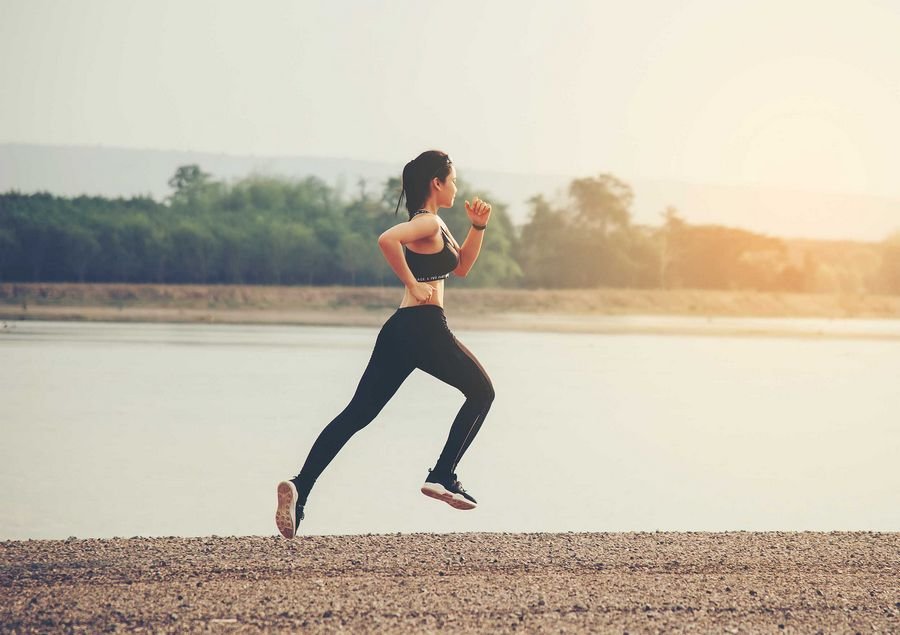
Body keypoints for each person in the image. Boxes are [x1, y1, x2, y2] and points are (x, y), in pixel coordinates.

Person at [275, 150, 495, 539]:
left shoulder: (435, 225)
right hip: (424, 326)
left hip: (400, 330)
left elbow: (461, 267)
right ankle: (443, 474)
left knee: (357, 413)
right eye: (453, 180)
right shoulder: (426, 223)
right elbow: (386, 239)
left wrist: (477, 228)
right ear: (437, 183)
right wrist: (411, 283)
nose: (457, 187)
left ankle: (300, 487)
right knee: (483, 393)